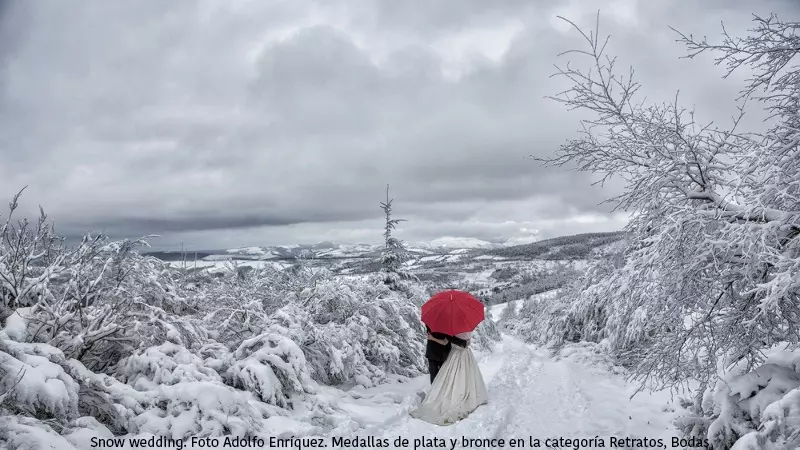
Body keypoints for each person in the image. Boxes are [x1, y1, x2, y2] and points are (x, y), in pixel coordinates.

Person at [411, 330, 488, 425]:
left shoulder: (453, 332)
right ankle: (466, 393)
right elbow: (467, 343)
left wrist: (432, 338)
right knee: (466, 376)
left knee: (451, 376)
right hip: (467, 354)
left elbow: (444, 342)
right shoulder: (468, 329)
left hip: (455, 355)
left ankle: (445, 394)